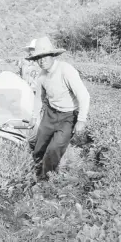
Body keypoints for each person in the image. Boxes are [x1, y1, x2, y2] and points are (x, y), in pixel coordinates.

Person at [26, 36, 90, 181]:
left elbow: (84, 95)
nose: (42, 61)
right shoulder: (41, 76)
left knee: (54, 148)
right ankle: (35, 171)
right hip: (50, 113)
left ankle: (46, 179)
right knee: (40, 146)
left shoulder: (66, 70)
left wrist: (81, 120)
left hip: (68, 116)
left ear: (52, 56)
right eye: (38, 58)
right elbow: (38, 99)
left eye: (45, 57)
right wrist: (34, 116)